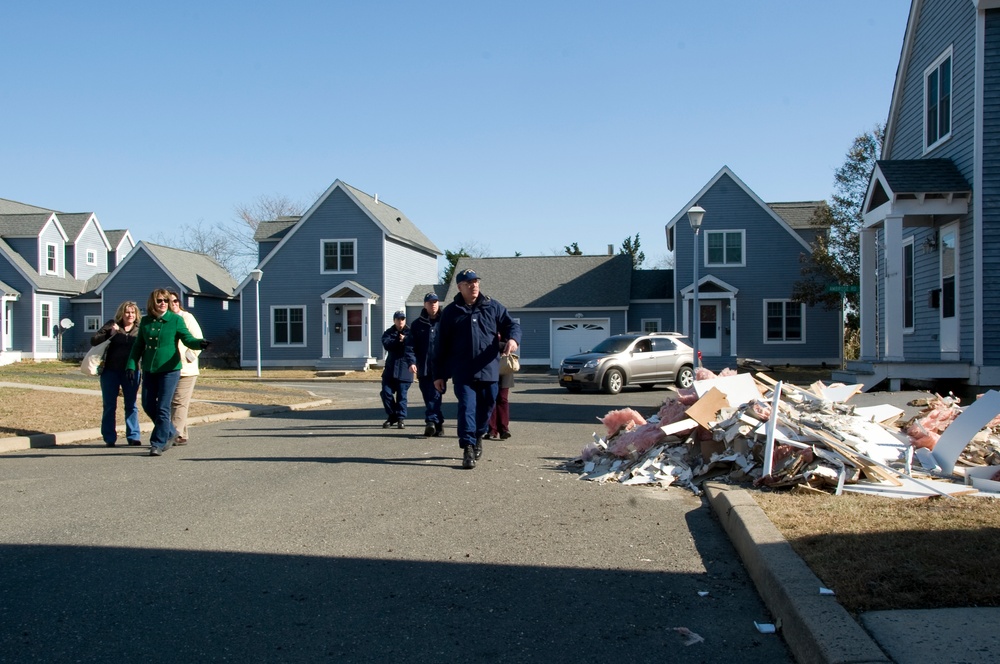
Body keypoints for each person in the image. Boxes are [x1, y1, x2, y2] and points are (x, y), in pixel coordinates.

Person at [433, 269, 521, 469]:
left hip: (489, 370)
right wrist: (438, 375)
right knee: (466, 407)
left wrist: (513, 339)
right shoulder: (451, 312)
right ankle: (468, 447)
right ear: (460, 287)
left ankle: (479, 434)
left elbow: (511, 326)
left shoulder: (492, 306)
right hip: (463, 372)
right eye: (468, 283)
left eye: (476, 282)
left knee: (488, 405)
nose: (474, 285)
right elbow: (440, 347)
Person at [127, 288, 209, 456]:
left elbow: (187, 338)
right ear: (152, 303)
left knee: (164, 407)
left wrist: (199, 344)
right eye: (159, 301)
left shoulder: (176, 320)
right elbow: (138, 346)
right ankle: (171, 431)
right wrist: (131, 364)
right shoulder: (146, 322)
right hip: (150, 369)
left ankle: (157, 442)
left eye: (166, 301)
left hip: (170, 369)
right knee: (148, 405)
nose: (163, 303)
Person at [91, 301, 142, 447]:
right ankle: (109, 437)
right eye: (127, 312)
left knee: (131, 404)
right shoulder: (112, 325)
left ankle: (133, 436)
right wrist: (110, 334)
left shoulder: (140, 328)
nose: (130, 315)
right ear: (121, 313)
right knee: (109, 405)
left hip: (132, 372)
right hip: (110, 371)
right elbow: (94, 340)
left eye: (132, 312)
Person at [167, 291, 203, 446]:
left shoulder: (186, 318)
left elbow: (198, 341)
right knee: (171, 402)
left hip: (186, 370)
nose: (173, 303)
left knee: (179, 402)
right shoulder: (165, 320)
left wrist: (187, 358)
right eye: (170, 301)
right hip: (168, 368)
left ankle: (176, 433)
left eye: (176, 301)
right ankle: (182, 434)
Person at [409, 292, 444, 437]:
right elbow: (410, 346)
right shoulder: (417, 324)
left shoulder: (444, 322)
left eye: (435, 302)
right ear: (425, 305)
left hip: (440, 368)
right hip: (423, 366)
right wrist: (412, 362)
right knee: (427, 396)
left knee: (435, 395)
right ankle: (439, 423)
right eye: (430, 302)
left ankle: (430, 421)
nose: (433, 304)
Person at [380, 310, 416, 429]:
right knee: (385, 393)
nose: (400, 321)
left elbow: (415, 346)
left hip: (404, 369)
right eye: (398, 319)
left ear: (405, 320)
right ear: (394, 320)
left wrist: (405, 340)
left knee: (402, 396)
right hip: (390, 369)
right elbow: (386, 344)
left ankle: (400, 418)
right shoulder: (389, 333)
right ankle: (392, 415)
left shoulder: (411, 333)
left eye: (402, 319)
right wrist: (397, 340)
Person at [488, 370, 514, 440]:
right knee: (491, 398)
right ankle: (492, 429)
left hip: (505, 368)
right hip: (490, 369)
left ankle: (504, 429)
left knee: (502, 398)